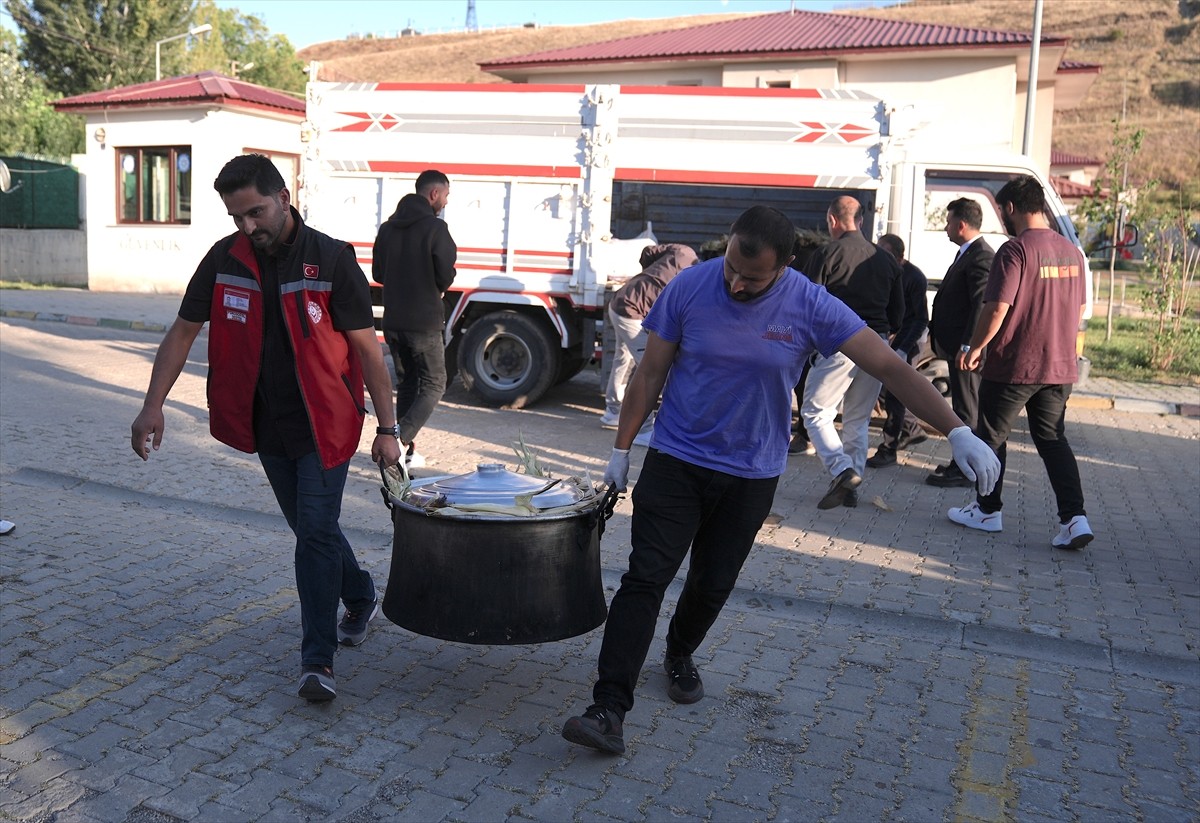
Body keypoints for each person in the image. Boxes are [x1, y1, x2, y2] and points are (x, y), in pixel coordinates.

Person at [560, 206, 1000, 755]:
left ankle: (678, 653)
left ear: (786, 265)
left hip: (752, 473)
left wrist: (957, 430)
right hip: (676, 460)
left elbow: (888, 366)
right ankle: (608, 709)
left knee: (712, 582)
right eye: (733, 272)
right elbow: (652, 371)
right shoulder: (693, 285)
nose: (738, 284)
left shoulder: (809, 303)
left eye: (754, 278)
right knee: (645, 578)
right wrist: (620, 451)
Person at [130, 154, 402, 703]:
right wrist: (152, 404)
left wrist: (388, 427)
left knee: (315, 535)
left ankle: (317, 662)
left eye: (255, 212)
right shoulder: (224, 259)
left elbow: (367, 353)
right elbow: (183, 332)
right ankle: (361, 593)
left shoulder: (330, 259)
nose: (248, 227)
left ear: (283, 196)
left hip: (325, 423)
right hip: (266, 424)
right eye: (236, 217)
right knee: (311, 530)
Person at [949, 175, 1093, 550]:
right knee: (1052, 439)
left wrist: (977, 346)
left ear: (1010, 208)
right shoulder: (1072, 252)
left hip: (1016, 363)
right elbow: (1078, 310)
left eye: (1002, 212)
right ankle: (1074, 519)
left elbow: (998, 307)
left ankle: (986, 510)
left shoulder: (1015, 251)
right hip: (1060, 366)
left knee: (991, 437)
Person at [800, 196, 905, 508]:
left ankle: (842, 470)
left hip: (839, 344)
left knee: (816, 412)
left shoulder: (826, 253)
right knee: (857, 420)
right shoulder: (886, 259)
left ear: (832, 220)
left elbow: (807, 305)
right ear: (861, 221)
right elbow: (898, 314)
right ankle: (852, 485)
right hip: (878, 345)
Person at [373, 169, 457, 469]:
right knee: (435, 383)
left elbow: (377, 274)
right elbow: (445, 274)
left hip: (394, 321)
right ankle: (400, 440)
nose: (446, 202)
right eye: (445, 195)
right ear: (434, 194)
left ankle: (405, 455)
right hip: (424, 322)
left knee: (408, 383)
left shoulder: (387, 228)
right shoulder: (436, 229)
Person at [926, 198, 995, 488]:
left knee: (968, 408)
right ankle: (962, 464)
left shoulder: (980, 256)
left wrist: (969, 345)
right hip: (958, 348)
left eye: (948, 221)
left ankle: (967, 470)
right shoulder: (968, 253)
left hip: (966, 351)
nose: (945, 228)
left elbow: (980, 304)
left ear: (961, 225)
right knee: (965, 405)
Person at [601, 243, 698, 446]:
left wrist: (648, 273)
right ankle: (643, 430)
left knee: (623, 359)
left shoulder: (683, 251)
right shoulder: (691, 285)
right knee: (649, 368)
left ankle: (613, 412)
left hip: (620, 300)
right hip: (631, 311)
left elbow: (648, 251)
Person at [866, 233, 929, 468]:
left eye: (882, 251)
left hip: (910, 340)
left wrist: (902, 349)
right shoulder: (884, 271)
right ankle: (911, 429)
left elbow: (920, 319)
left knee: (895, 393)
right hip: (891, 338)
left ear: (897, 256)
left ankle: (889, 448)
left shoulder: (915, 278)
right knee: (884, 389)